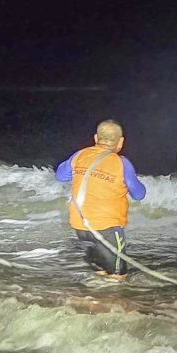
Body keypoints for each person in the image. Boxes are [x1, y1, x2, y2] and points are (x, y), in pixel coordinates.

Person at [55, 119, 146, 281]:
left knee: (100, 273)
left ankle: (95, 296)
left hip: (81, 226)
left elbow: (60, 176)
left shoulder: (80, 155)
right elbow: (139, 194)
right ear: (120, 142)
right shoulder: (122, 163)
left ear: (96, 138)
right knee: (118, 276)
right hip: (107, 228)